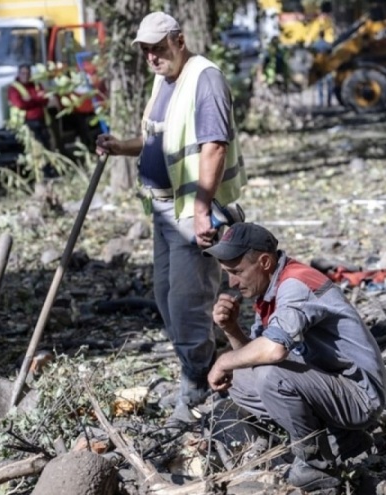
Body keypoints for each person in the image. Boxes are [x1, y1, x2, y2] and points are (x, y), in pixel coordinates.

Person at [95, 12, 246, 424]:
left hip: (192, 211)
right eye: (145, 51)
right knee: (166, 296)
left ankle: (199, 385)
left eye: (158, 49)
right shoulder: (165, 79)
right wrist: (123, 147)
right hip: (164, 209)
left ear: (179, 40)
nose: (151, 58)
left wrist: (200, 210)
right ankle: (208, 359)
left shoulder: (205, 78)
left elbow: (213, 146)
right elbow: (158, 139)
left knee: (185, 300)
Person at [204, 223, 386, 491]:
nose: (231, 282)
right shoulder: (270, 287)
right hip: (331, 386)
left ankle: (315, 466)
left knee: (270, 375)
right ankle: (341, 440)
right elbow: (256, 355)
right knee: (241, 378)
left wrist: (221, 361)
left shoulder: (295, 284)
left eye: (237, 272)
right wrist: (231, 329)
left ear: (264, 261)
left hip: (360, 397)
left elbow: (273, 351)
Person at [8, 64, 52, 149]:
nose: (26, 76)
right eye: (23, 73)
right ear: (18, 74)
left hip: (41, 121)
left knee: (46, 145)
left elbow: (46, 100)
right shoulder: (14, 88)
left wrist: (30, 98)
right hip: (26, 123)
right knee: (34, 147)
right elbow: (20, 104)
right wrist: (37, 98)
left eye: (27, 73)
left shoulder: (36, 85)